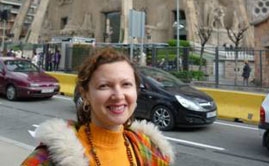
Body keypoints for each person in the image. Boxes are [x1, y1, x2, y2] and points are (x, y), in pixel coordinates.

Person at [21, 47, 174, 166]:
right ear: (86, 94)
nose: (119, 95)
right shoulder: (52, 157)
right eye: (104, 86)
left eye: (126, 84)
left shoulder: (148, 149)